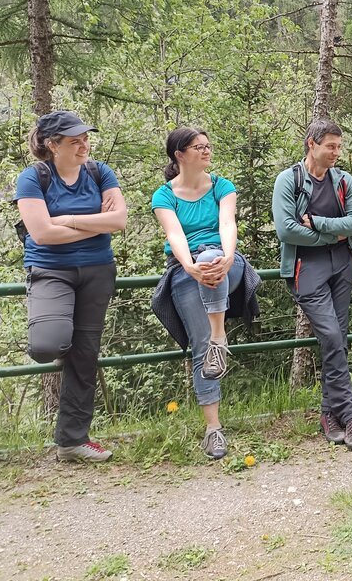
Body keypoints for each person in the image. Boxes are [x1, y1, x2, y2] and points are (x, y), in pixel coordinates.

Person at [15, 111, 128, 462]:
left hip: (97, 271)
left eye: (85, 138)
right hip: (51, 271)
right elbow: (42, 234)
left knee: (85, 355)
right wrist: (97, 223)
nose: (83, 145)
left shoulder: (99, 172)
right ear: (52, 145)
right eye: (74, 140)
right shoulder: (33, 179)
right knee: (49, 344)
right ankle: (60, 335)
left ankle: (72, 442)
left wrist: (69, 219)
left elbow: (120, 221)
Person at [151, 127, 260, 460]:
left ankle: (219, 336)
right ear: (179, 155)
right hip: (187, 268)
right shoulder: (164, 195)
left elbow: (228, 224)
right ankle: (213, 430)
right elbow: (175, 234)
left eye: (208, 146)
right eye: (198, 147)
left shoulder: (222, 187)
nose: (206, 151)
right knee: (201, 350)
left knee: (212, 255)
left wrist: (227, 258)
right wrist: (189, 265)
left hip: (227, 262)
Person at [272, 120, 352, 450]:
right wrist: (331, 234)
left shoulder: (343, 181)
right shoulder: (290, 180)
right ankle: (351, 414)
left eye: (339, 146)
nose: (336, 152)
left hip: (341, 264)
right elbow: (286, 230)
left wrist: (320, 225)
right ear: (311, 144)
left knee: (337, 338)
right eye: (331, 146)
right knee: (329, 335)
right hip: (306, 267)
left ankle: (330, 413)